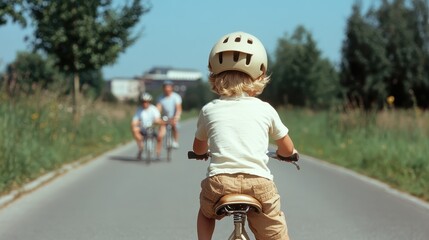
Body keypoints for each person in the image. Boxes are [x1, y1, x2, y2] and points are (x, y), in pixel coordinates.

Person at [192, 31, 298, 240]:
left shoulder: (209, 109)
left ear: (213, 74)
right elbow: (286, 148)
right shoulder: (266, 109)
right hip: (259, 183)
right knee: (275, 232)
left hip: (219, 183)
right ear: (260, 73)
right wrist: (289, 154)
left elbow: (198, 149)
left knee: (205, 213)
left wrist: (202, 153)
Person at [131, 92, 162, 160]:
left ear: (149, 102)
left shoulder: (154, 109)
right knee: (134, 129)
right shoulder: (139, 110)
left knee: (160, 136)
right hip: (143, 128)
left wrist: (156, 122)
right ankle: (141, 146)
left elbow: (157, 119)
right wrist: (135, 124)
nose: (145, 103)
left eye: (146, 102)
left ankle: (158, 152)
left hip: (153, 128)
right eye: (143, 102)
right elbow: (135, 120)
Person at [156, 80, 182, 148]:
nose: (167, 89)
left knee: (175, 126)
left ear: (171, 88)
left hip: (173, 116)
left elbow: (178, 108)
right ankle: (162, 141)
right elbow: (158, 108)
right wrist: (157, 116)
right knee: (161, 130)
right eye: (165, 87)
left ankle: (175, 141)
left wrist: (176, 116)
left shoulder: (176, 97)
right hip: (164, 117)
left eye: (168, 87)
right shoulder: (160, 98)